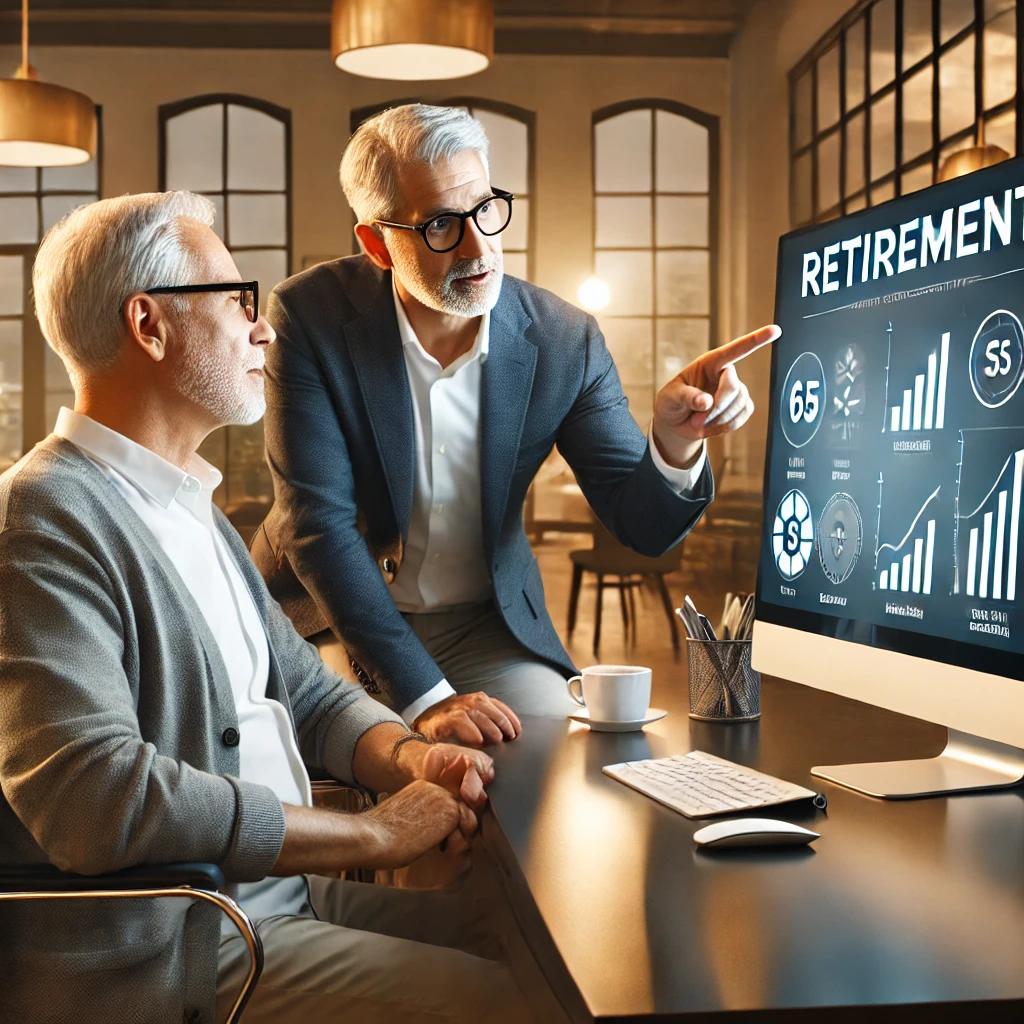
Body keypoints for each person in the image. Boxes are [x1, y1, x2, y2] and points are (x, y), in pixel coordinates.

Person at [0, 192, 534, 1024]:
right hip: (185, 944)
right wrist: (374, 836)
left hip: (275, 904)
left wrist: (410, 759)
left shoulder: (188, 505)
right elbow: (90, 795)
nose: (264, 328)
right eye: (235, 299)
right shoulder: (42, 516)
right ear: (150, 325)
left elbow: (307, 691)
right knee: (514, 1003)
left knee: (538, 951)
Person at [253, 103, 778, 747]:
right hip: (333, 617)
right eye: (441, 225)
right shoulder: (308, 317)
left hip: (488, 626)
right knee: (382, 754)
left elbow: (643, 528)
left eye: (485, 209)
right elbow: (318, 528)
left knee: (544, 756)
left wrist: (674, 442)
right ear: (377, 244)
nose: (478, 247)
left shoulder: (563, 339)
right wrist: (427, 698)